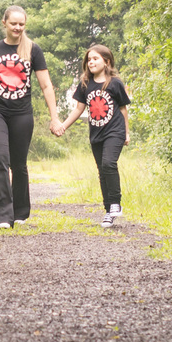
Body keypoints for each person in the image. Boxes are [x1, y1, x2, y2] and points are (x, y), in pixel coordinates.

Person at [0, 6, 63, 229]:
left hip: (21, 113)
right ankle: (2, 217)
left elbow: (46, 85)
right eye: (13, 23)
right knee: (1, 159)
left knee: (19, 163)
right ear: (4, 23)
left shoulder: (33, 50)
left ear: (25, 25)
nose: (17, 27)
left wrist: (54, 118)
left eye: (21, 24)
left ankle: (20, 212)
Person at [56, 44, 131, 228]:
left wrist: (127, 133)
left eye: (95, 59)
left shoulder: (115, 83)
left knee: (108, 164)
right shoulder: (85, 85)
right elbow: (79, 110)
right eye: (89, 59)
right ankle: (108, 212)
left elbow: (123, 109)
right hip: (97, 133)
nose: (91, 62)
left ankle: (115, 203)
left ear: (106, 62)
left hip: (115, 131)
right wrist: (63, 126)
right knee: (102, 171)